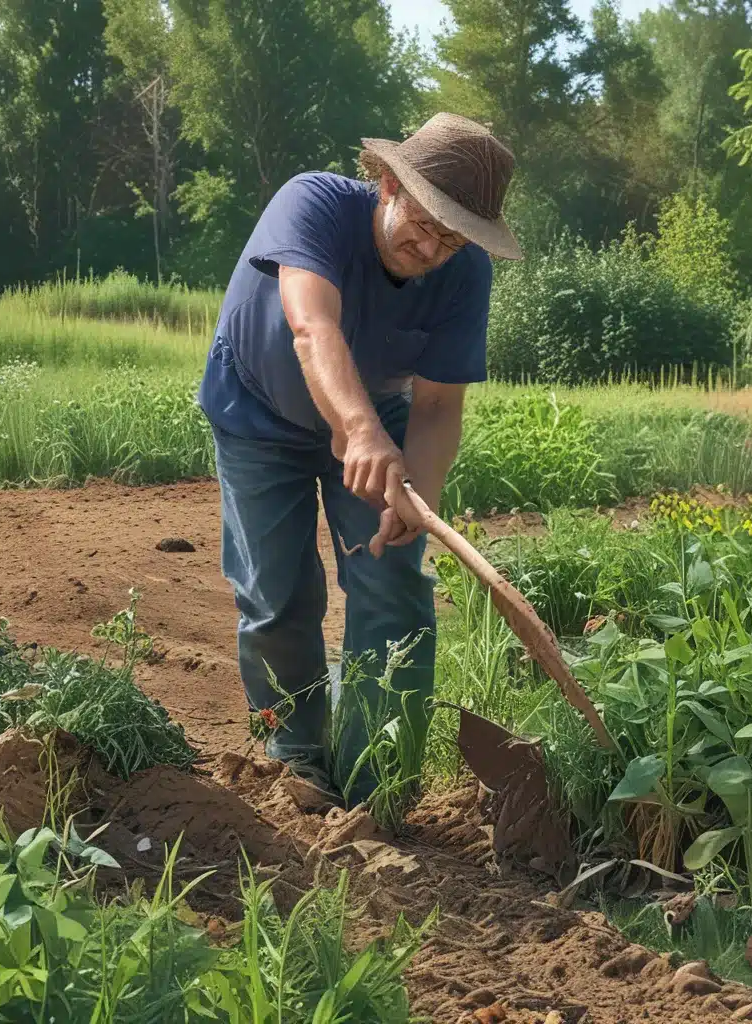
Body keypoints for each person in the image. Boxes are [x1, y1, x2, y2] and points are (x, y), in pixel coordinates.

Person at [197, 112, 522, 804]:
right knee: (277, 593)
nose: (432, 247)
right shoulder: (311, 202)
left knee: (393, 584)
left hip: (380, 408)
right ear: (386, 184)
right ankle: (297, 756)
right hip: (261, 411)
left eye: (452, 236)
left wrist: (419, 500)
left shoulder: (463, 276)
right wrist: (362, 432)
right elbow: (312, 328)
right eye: (423, 222)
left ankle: (380, 780)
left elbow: (437, 406)